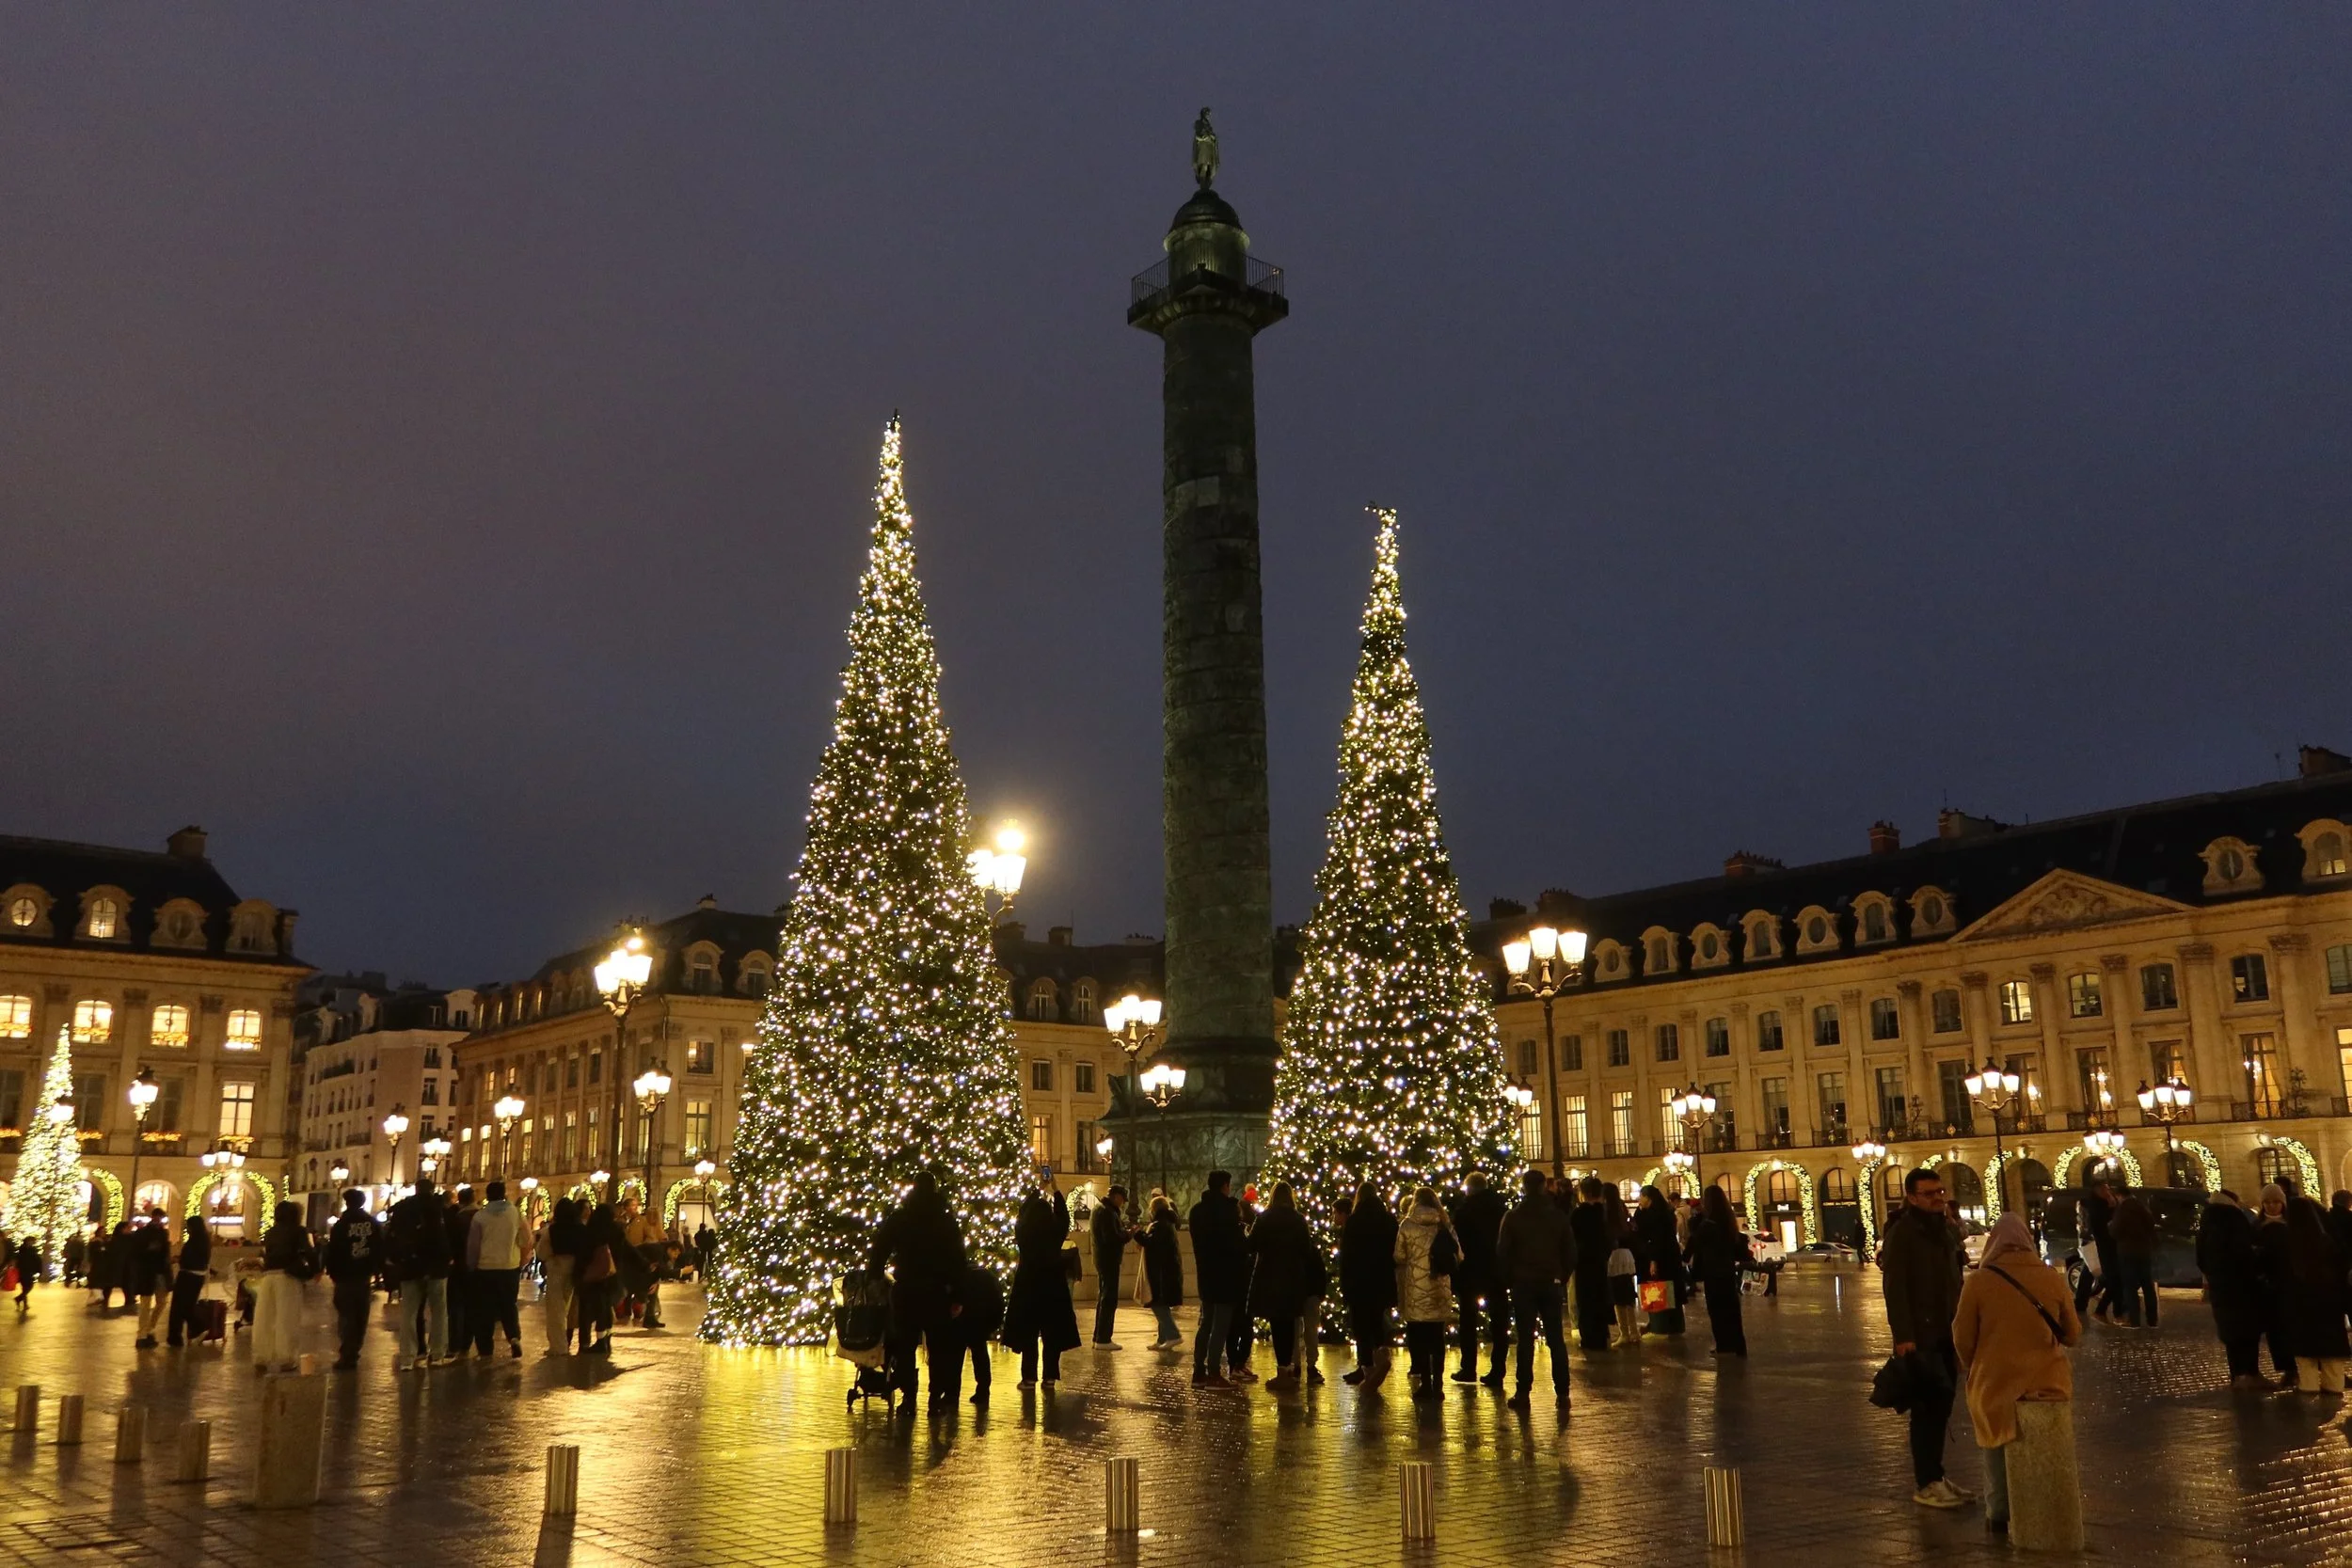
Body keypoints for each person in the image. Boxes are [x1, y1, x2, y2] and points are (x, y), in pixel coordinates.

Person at [1953, 1212, 2081, 1535]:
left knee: (1995, 1444)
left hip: (1994, 1382)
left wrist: (1976, 1364)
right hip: (2047, 1381)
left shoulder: (1978, 1282)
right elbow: (2072, 1334)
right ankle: (2045, 1509)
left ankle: (1999, 1513)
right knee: (2044, 1447)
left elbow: (1962, 1337)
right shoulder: (2050, 1277)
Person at [1882, 1166, 1972, 1510]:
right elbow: (1895, 1287)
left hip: (1947, 1331)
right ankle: (1926, 1482)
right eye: (1929, 1194)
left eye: (1940, 1192)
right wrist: (1904, 1336)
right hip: (1921, 1335)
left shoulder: (1943, 1229)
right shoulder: (1903, 1233)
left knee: (1942, 1406)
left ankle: (1936, 1475)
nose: (1937, 1199)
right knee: (1926, 1410)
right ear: (1911, 1197)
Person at [866, 1168, 970, 1411]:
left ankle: (909, 1398)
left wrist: (875, 1277)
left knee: (904, 1346)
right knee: (937, 1346)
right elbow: (958, 1259)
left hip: (907, 1288)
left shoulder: (901, 1217)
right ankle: (934, 1398)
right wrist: (958, 1294)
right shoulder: (945, 1221)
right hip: (937, 1290)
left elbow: (881, 1248)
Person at [1495, 1167, 1576, 1413]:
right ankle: (1563, 1393)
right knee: (1556, 1340)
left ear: (1524, 1187)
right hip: (1550, 1282)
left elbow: (1503, 1252)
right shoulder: (1557, 1216)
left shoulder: (1513, 1217)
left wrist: (1510, 1279)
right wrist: (1561, 1276)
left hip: (1523, 1283)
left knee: (1525, 1340)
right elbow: (1570, 1251)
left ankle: (1523, 1392)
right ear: (1543, 1187)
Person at [1002, 1175, 1080, 1389]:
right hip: (1053, 1285)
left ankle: (1028, 1378)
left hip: (1028, 1284)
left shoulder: (1024, 1232)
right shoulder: (1056, 1231)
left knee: (1028, 1333)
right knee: (1052, 1333)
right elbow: (1064, 1216)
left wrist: (1038, 1189)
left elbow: (1022, 1212)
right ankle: (1050, 1377)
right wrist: (1055, 1190)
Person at [1246, 1181, 1315, 1390]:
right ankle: (1288, 1368)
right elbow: (1306, 1249)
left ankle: (1282, 1369)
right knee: (1290, 1323)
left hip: (1270, 1278)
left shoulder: (1264, 1218)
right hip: (1293, 1279)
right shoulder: (1299, 1219)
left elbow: (1251, 1245)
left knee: (1277, 1324)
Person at [2197, 1189, 2267, 1387]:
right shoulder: (2234, 1218)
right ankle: (2251, 1373)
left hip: (2220, 1288)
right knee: (2248, 1330)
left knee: (2231, 1332)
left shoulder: (2207, 1219)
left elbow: (2200, 1257)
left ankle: (2237, 1375)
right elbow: (2243, 1252)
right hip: (2243, 1287)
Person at [1392, 1187, 1458, 1400]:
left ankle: (1425, 1385)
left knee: (1419, 1340)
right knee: (1438, 1340)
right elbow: (1459, 1254)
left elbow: (1399, 1255)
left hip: (1416, 1290)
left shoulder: (1407, 1224)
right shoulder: (1444, 1224)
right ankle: (1438, 1385)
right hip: (1439, 1288)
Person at [2282, 1196, 2352, 1395]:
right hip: (2329, 1303)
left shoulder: (2287, 1242)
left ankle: (2309, 1387)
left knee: (2306, 1355)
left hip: (2301, 1305)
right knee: (2331, 1354)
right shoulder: (2326, 1241)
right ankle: (2334, 1387)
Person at [386, 1178, 455, 1370]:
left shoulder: (402, 1209)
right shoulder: (440, 1208)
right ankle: (438, 1353)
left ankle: (407, 1357)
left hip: (410, 1266)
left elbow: (392, 1235)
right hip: (436, 1266)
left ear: (416, 1190)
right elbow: (447, 1236)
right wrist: (448, 1257)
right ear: (432, 1190)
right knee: (439, 1311)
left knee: (409, 1313)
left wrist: (396, 1259)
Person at [1187, 1171, 1248, 1388]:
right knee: (1220, 1326)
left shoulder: (1197, 1211)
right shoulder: (1228, 1211)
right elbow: (1237, 1245)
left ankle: (1198, 1371)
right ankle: (1214, 1372)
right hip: (1226, 1275)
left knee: (1206, 1323)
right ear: (1225, 1186)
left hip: (1205, 1273)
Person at [1448, 1170, 1508, 1386]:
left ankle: (1469, 1367)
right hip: (1496, 1271)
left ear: (1469, 1189)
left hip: (1471, 1272)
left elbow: (1457, 1243)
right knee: (1499, 1322)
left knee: (1468, 1321)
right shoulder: (1501, 1208)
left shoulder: (1464, 1211)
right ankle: (1498, 1370)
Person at [1339, 1180, 1399, 1392]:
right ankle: (1381, 1353)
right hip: (1381, 1281)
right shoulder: (1388, 1220)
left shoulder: (1354, 1221)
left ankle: (1368, 1369)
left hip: (1359, 1282)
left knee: (1361, 1327)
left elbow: (1347, 1257)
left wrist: (1345, 1284)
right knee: (1377, 1320)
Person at [251, 1200, 319, 1373]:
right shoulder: (298, 1230)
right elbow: (308, 1251)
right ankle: (286, 1358)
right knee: (287, 1318)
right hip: (288, 1276)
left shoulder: (270, 1232)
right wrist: (315, 1270)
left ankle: (261, 1356)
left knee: (265, 1318)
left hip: (268, 1277)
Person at [1684, 1186, 1749, 1357]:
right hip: (1728, 1271)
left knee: (1717, 1311)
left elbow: (1695, 1242)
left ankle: (1724, 1346)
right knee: (1732, 1310)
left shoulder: (1706, 1224)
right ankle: (1738, 1345)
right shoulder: (1728, 1221)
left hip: (1712, 1272)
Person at [467, 1180, 527, 1359]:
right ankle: (514, 1337)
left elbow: (473, 1246)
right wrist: (520, 1260)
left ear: (488, 1196)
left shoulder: (480, 1216)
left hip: (485, 1268)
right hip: (509, 1267)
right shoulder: (515, 1213)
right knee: (509, 1305)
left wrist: (471, 1265)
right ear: (504, 1194)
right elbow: (527, 1239)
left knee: (485, 1309)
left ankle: (485, 1348)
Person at [322, 1190, 380, 1369]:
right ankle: (355, 1350)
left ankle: (347, 1352)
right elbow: (379, 1247)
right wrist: (375, 1270)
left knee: (346, 1315)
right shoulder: (372, 1223)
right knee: (361, 1315)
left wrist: (332, 1271)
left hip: (345, 1276)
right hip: (364, 1275)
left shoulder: (341, 1225)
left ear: (346, 1203)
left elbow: (333, 1250)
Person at [576, 1201, 629, 1356]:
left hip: (596, 1276)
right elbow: (628, 1250)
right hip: (613, 1274)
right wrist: (644, 1264)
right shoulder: (617, 1230)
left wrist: (581, 1271)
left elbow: (585, 1253)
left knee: (597, 1308)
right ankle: (606, 1340)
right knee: (606, 1309)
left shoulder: (592, 1230)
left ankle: (600, 1342)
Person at [1568, 1177, 1615, 1352]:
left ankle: (1589, 1338)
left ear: (1584, 1193)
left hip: (1584, 1262)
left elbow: (1571, 1237)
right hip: (1601, 1260)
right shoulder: (1604, 1212)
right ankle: (1602, 1336)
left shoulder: (1579, 1213)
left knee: (1585, 1299)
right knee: (1600, 1297)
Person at [1633, 1186, 1688, 1337]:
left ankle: (1661, 1325)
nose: (1639, 1199)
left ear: (1648, 1197)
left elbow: (1656, 1238)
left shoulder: (1655, 1215)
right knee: (1671, 1290)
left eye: (1641, 1196)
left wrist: (1653, 1260)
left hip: (1660, 1257)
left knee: (1658, 1288)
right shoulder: (1665, 1211)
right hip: (1670, 1256)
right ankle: (1674, 1325)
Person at [2254, 1182, 2296, 1383]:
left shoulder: (2292, 1225)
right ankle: (2287, 1368)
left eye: (2275, 1202)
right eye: (2267, 1202)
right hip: (2269, 1287)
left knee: (2293, 1328)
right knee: (2276, 1331)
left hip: (2290, 1284)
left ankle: (2298, 1368)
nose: (2271, 1206)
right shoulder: (2257, 1227)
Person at [1089, 1184, 1134, 1349]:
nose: (1123, 1203)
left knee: (1103, 1297)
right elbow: (1112, 1238)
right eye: (1122, 1199)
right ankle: (1103, 1339)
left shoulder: (1099, 1209)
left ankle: (1098, 1337)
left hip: (1102, 1259)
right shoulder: (1107, 1212)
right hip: (1109, 1260)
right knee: (1109, 1298)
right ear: (1116, 1197)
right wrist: (1128, 1234)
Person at [2107, 1189, 2158, 1328]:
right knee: (2147, 1285)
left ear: (2119, 1196)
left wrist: (2110, 1226)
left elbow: (2115, 1231)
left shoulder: (2122, 1209)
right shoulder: (2141, 1207)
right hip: (2144, 1250)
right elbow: (2151, 1225)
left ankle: (2134, 1320)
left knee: (2129, 1286)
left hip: (2127, 1251)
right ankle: (2152, 1319)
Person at [1140, 1195, 1185, 1351]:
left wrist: (1138, 1235)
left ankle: (1173, 1335)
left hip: (1161, 1273)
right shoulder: (1168, 1223)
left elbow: (1152, 1244)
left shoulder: (1160, 1225)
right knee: (1162, 1303)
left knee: (1158, 1304)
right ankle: (1163, 1339)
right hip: (1169, 1271)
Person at [542, 1197, 586, 1355]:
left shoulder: (553, 1230)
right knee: (570, 1307)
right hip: (576, 1269)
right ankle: (574, 1341)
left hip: (557, 1267)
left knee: (556, 1310)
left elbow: (542, 1251)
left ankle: (558, 1346)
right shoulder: (581, 1229)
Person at [166, 1215, 214, 1348]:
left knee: (180, 1307)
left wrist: (178, 1260)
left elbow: (189, 1259)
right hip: (197, 1276)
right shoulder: (204, 1239)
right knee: (187, 1305)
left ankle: (197, 1328)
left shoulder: (195, 1241)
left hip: (188, 1276)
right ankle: (189, 1331)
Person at [443, 1185, 479, 1352]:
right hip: (477, 1266)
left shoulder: (457, 1219)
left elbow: (450, 1243)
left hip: (458, 1266)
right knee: (472, 1305)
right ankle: (467, 1341)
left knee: (456, 1306)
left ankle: (455, 1342)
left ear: (460, 1201)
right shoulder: (481, 1217)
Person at [1604, 1187, 1642, 1343]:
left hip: (1614, 1255)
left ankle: (1624, 1333)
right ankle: (1633, 1332)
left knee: (1618, 1296)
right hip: (1626, 1255)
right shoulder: (1621, 1208)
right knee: (1627, 1293)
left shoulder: (1606, 1211)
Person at [623, 1197, 668, 1329]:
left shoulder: (640, 1222)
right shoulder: (635, 1222)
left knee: (649, 1289)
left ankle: (648, 1315)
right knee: (648, 1289)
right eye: (632, 1205)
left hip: (645, 1258)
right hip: (643, 1259)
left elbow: (638, 1240)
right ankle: (647, 1314)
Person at [131, 1211, 173, 1348]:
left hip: (160, 1272)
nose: (158, 1220)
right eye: (157, 1217)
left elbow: (165, 1253)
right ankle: (142, 1334)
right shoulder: (142, 1233)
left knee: (162, 1302)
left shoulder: (163, 1233)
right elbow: (136, 1253)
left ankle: (149, 1328)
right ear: (152, 1217)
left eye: (161, 1218)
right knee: (145, 1304)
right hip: (147, 1272)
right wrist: (149, 1249)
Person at [2075, 1183, 2116, 1321]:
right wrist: (2112, 1206)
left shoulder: (2093, 1204)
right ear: (2098, 1191)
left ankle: (2081, 1302)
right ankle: (2096, 1308)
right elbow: (2100, 1225)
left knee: (2090, 1271)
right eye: (2105, 1189)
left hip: (2096, 1244)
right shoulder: (2097, 1206)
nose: (2108, 1191)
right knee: (2105, 1275)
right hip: (2100, 1244)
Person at [12, 1235, 40, 1309]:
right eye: (32, 1241)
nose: (33, 1242)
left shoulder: (32, 1249)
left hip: (29, 1270)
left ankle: (19, 1299)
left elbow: (36, 1259)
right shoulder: (22, 1249)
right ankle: (24, 1304)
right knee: (26, 1287)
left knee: (28, 1287)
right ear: (28, 1241)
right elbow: (19, 1258)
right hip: (23, 1270)